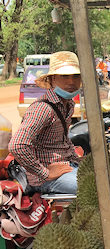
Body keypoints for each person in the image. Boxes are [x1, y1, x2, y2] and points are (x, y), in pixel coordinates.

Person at [9, 51, 81, 194]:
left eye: (76, 76)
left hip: (66, 167)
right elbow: (17, 145)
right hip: (43, 179)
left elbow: (63, 141)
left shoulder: (68, 105)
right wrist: (44, 173)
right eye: (65, 76)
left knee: (106, 178)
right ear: (52, 79)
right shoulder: (43, 109)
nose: (71, 82)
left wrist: (77, 159)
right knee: (98, 188)